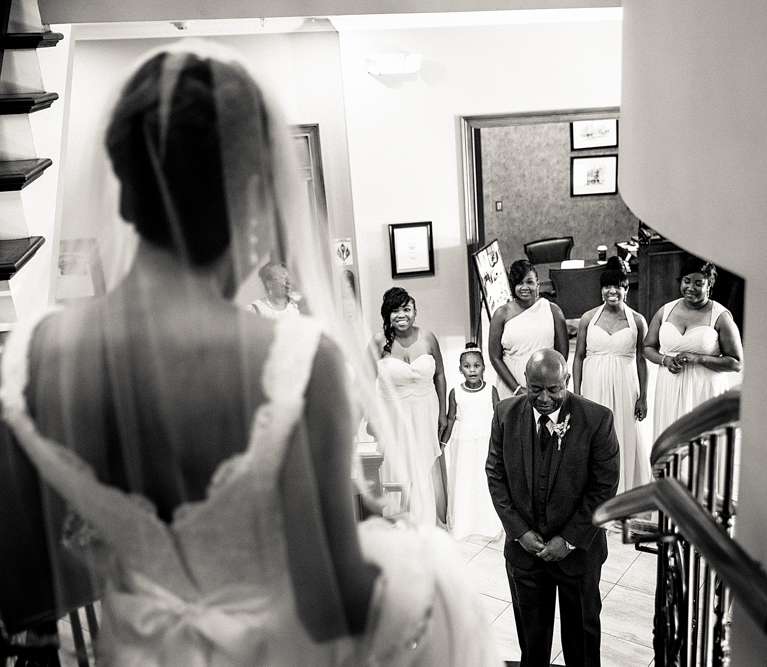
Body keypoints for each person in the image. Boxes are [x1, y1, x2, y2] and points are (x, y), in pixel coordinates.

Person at [0, 42, 501, 666]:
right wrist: (413, 561)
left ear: (125, 191)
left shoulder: (32, 355)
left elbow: (24, 589)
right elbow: (329, 609)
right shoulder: (293, 363)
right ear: (254, 202)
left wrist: (133, 551)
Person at [486, 349, 619, 667]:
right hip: (524, 553)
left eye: (553, 389)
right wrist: (518, 532)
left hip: (579, 553)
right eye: (535, 389)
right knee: (532, 642)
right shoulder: (505, 413)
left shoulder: (597, 419)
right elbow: (496, 475)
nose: (544, 398)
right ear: (525, 382)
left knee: (582, 640)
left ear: (567, 381)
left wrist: (569, 539)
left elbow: (603, 488)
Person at [367, 287, 448, 528]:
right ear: (387, 315)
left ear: (415, 312)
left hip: (425, 411)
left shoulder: (428, 338)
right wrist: (371, 416)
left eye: (406, 309)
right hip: (394, 416)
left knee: (424, 468)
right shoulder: (378, 342)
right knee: (397, 467)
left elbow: (440, 375)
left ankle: (425, 524)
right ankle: (400, 523)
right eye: (395, 310)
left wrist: (442, 412)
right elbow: (365, 380)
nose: (401, 315)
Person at [643, 257, 744, 438]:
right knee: (670, 440)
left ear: (709, 285)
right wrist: (665, 360)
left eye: (699, 283)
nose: (691, 288)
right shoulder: (665, 311)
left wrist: (700, 358)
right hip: (670, 386)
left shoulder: (721, 316)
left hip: (704, 388)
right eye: (686, 281)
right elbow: (648, 347)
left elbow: (736, 363)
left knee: (699, 441)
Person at [572, 266, 650, 493]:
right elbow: (578, 357)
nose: (612, 291)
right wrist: (577, 393)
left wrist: (643, 397)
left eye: (618, 286)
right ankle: (595, 491)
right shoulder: (588, 318)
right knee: (595, 436)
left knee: (623, 433)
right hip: (594, 385)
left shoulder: (637, 320)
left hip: (625, 387)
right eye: (607, 286)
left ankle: (624, 489)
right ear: (601, 290)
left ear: (626, 290)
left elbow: (641, 360)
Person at [440, 343, 502, 540]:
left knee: (484, 481)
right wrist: (441, 444)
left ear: (484, 367)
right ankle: (465, 524)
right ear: (460, 370)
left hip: (485, 442)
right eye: (467, 366)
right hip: (463, 443)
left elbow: (498, 419)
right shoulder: (455, 392)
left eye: (476, 365)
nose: (472, 370)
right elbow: (450, 420)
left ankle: (487, 524)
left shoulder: (491, 390)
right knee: (465, 481)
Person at [489, 259, 569, 400]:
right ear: (512, 285)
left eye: (529, 282)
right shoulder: (501, 314)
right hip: (510, 386)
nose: (525, 287)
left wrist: (549, 385)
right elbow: (495, 357)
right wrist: (517, 389)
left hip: (546, 387)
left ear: (537, 284)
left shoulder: (553, 311)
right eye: (520, 283)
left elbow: (562, 355)